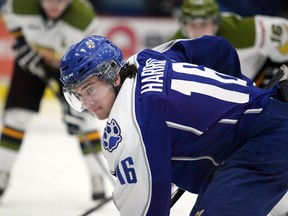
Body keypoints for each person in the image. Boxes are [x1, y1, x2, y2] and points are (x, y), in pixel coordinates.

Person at [59, 34, 288, 215]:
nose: (87, 102)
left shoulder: (129, 124)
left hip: (267, 143)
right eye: (78, 95)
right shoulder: (144, 59)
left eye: (90, 89)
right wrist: (247, 98)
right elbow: (217, 48)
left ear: (113, 76)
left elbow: (147, 208)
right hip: (262, 131)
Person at [0, 0, 107, 200]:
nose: (54, 5)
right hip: (30, 62)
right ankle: (1, 174)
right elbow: (10, 20)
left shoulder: (84, 18)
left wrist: (74, 106)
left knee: (82, 120)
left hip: (70, 68)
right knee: (17, 117)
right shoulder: (19, 5)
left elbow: (90, 55)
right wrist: (22, 45)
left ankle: (97, 176)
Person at [169, 0, 288, 87]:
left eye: (204, 24)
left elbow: (283, 30)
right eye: (193, 25)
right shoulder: (173, 47)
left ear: (216, 23)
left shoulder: (240, 30)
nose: (199, 31)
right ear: (183, 25)